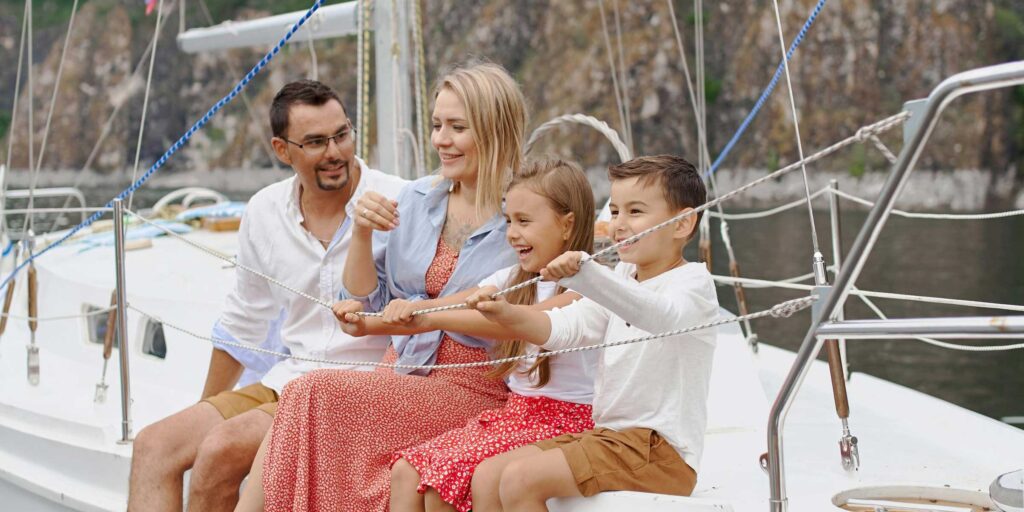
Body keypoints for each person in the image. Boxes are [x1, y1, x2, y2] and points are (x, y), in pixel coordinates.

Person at [257, 61, 528, 512]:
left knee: (310, 393)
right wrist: (360, 232)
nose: (441, 139)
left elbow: (523, 306)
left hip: (474, 385)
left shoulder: (523, 212)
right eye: (437, 124)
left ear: (495, 128)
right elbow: (363, 300)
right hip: (400, 372)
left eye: (457, 127)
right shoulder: (417, 198)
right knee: (305, 398)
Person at [126, 79, 407, 512]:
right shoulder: (263, 210)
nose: (335, 153)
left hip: (359, 389)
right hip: (288, 380)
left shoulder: (400, 199)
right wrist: (209, 408)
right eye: (315, 142)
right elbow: (243, 324)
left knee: (220, 450)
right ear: (282, 150)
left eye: (342, 135)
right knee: (154, 446)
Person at [336, 158, 598, 512]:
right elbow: (439, 308)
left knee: (446, 482)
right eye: (508, 221)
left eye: (524, 222)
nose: (512, 234)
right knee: (405, 472)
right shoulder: (511, 280)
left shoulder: (589, 288)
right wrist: (363, 323)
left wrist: (431, 318)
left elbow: (520, 321)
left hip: (568, 421)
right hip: (516, 415)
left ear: (567, 225)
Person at [467, 155, 719, 511]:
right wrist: (505, 313)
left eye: (635, 212)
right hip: (610, 439)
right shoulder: (622, 278)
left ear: (682, 224)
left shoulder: (693, 284)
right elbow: (565, 329)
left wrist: (587, 275)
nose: (619, 224)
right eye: (615, 212)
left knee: (519, 479)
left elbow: (659, 317)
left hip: (659, 452)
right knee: (488, 475)